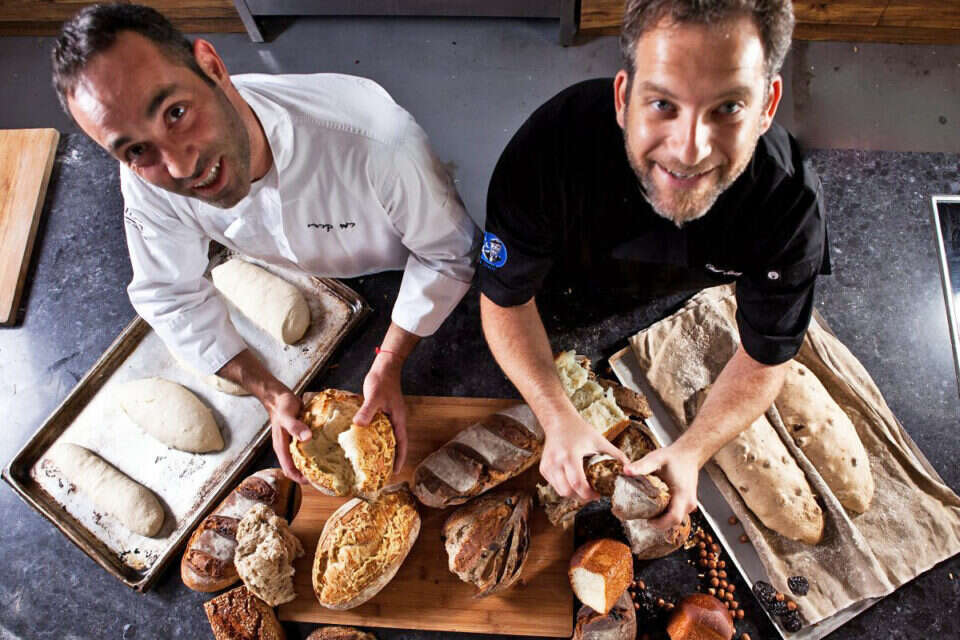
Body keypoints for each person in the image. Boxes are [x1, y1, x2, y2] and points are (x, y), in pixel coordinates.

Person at [52, 4, 479, 482]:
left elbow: (448, 254)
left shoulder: (375, 140)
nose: (181, 166)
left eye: (176, 113)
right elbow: (170, 295)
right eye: (136, 149)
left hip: (405, 271)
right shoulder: (145, 179)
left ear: (211, 66)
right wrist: (269, 392)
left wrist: (391, 359)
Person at [478, 0, 830, 529]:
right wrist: (556, 414)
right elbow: (505, 300)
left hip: (673, 304)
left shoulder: (788, 203)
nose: (689, 150)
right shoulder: (553, 149)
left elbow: (765, 358)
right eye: (663, 103)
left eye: (728, 107)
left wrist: (692, 449)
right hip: (551, 296)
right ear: (623, 99)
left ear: (767, 105)